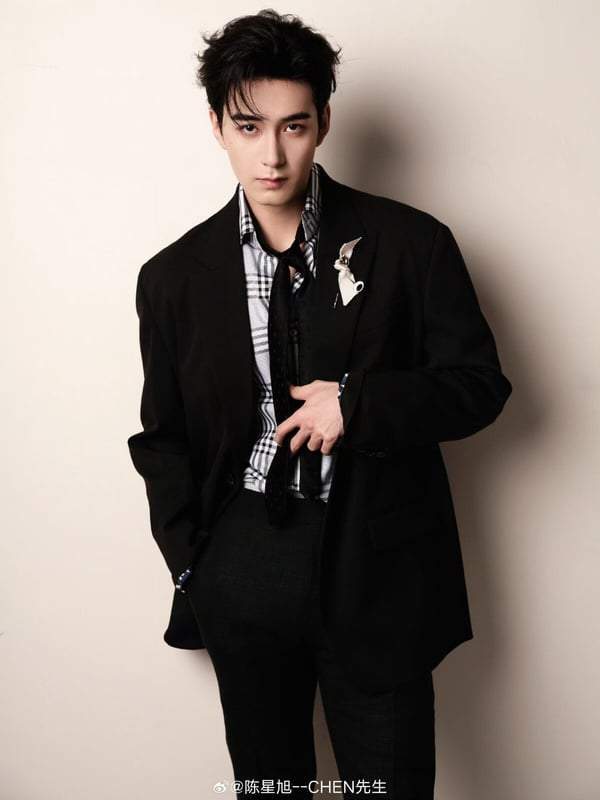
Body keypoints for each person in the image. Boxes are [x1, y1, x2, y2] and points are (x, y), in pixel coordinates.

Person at [126, 9, 512, 799]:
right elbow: (162, 437)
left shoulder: (411, 244)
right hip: (243, 566)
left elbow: (480, 385)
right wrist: (196, 566)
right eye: (249, 126)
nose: (271, 155)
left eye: (294, 126)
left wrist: (359, 404)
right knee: (271, 790)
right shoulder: (171, 278)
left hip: (377, 566)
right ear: (217, 126)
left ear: (324, 123)